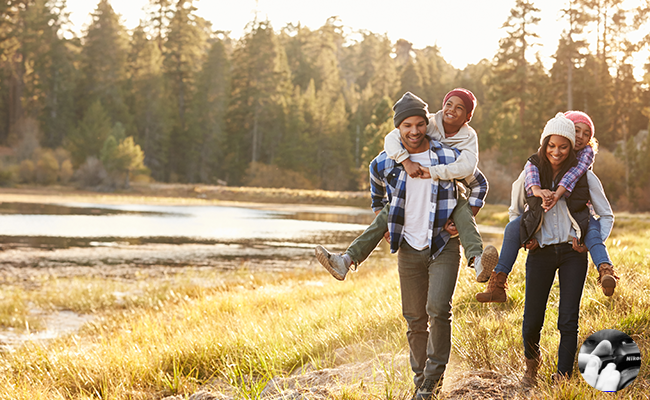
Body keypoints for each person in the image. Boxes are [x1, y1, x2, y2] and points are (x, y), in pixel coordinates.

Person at [361, 93, 489, 399]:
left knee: (437, 309)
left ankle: (432, 383)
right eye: (407, 125)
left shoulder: (446, 155)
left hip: (443, 244)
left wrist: (465, 215)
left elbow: (479, 183)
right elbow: (376, 188)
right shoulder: (388, 160)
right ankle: (421, 383)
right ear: (398, 129)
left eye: (420, 124)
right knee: (414, 318)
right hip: (407, 247)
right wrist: (384, 220)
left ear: (426, 124)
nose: (415, 131)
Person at [315, 89, 497, 284]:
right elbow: (392, 138)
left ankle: (477, 261)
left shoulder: (467, 139)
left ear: (468, 116)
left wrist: (465, 216)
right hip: (410, 195)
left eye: (459, 107)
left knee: (462, 209)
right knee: (389, 211)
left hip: (450, 194)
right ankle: (346, 260)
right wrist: (405, 161)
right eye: (449, 104)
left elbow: (472, 171)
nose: (451, 110)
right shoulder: (429, 123)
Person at [504, 113, 614, 386]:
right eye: (553, 145)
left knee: (568, 319)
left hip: (571, 254)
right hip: (540, 253)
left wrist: (588, 241)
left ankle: (563, 375)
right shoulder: (531, 173)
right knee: (532, 319)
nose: (558, 151)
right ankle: (531, 367)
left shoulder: (585, 177)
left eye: (564, 145)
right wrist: (526, 236)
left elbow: (606, 215)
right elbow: (514, 212)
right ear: (546, 144)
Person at [476, 110, 618, 303]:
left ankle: (605, 270)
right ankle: (498, 281)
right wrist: (527, 234)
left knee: (593, 233)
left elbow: (574, 177)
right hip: (542, 238)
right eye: (577, 131)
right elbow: (520, 199)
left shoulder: (583, 164)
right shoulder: (535, 164)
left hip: (580, 220)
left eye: (587, 134)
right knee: (511, 228)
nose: (581, 137)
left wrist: (557, 194)